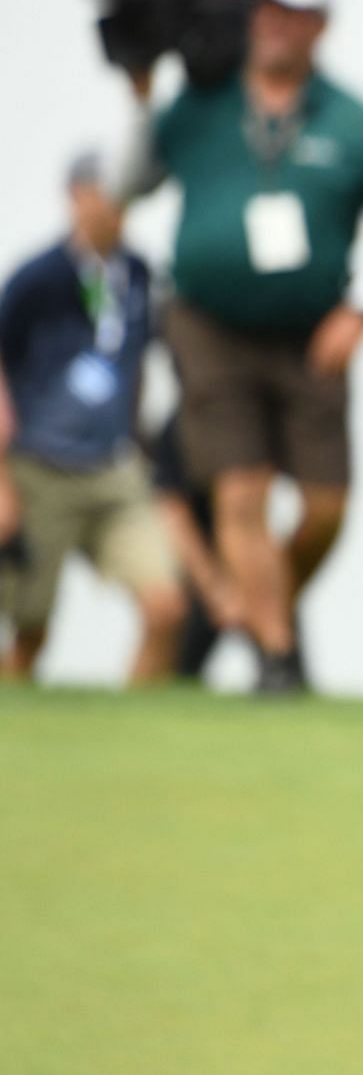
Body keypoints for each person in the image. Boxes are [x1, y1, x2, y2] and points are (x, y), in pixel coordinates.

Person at [113, 0, 363, 694]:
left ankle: (254, 605)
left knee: (324, 508)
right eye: (266, 10)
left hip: (314, 331)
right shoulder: (199, 103)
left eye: (295, 14)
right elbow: (127, 185)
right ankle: (278, 657)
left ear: (320, 26)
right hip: (209, 325)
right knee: (240, 490)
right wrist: (141, 92)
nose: (277, 26)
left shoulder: (352, 120)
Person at [0, 154, 185, 684]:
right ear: (77, 195)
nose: (118, 206)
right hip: (39, 468)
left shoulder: (140, 273)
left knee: (166, 605)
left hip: (111, 466)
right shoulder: (38, 279)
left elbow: (140, 360)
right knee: (29, 628)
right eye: (107, 191)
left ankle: (141, 743)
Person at [148, 413, 241, 680]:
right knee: (178, 667)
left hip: (243, 565)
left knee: (283, 667)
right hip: (190, 564)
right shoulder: (179, 428)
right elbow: (171, 511)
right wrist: (216, 589)